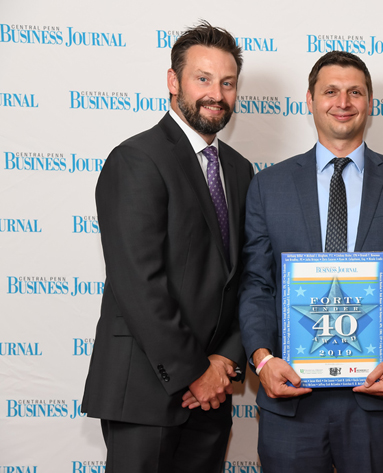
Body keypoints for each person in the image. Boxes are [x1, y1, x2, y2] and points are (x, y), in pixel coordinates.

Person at [238, 50, 383, 473]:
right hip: (290, 396)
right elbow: (256, 284)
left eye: (355, 92)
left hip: (375, 396)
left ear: (369, 103)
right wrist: (262, 360)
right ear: (310, 100)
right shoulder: (267, 187)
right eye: (330, 91)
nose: (343, 101)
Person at [81, 21, 253, 473]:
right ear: (174, 81)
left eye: (227, 82)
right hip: (144, 392)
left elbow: (244, 276)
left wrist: (224, 362)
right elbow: (139, 282)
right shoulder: (137, 159)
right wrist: (194, 372)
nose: (216, 93)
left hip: (212, 394)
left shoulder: (239, 170)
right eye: (203, 79)